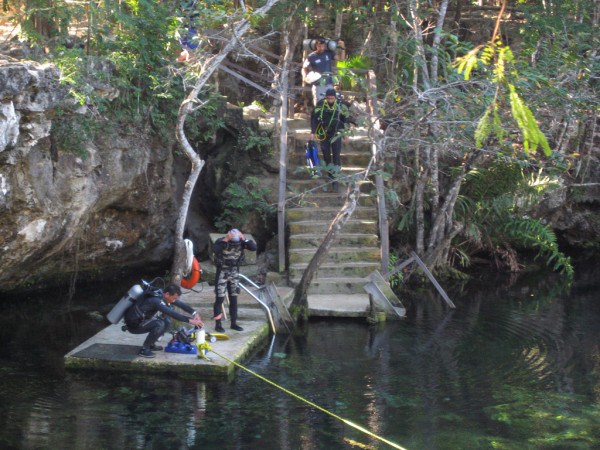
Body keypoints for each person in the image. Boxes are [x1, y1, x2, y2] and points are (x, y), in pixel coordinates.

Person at [124, 284, 204, 358]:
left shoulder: (161, 294)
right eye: (174, 298)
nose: (174, 301)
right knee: (159, 324)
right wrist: (191, 321)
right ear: (167, 294)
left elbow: (180, 304)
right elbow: (172, 313)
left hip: (143, 320)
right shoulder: (156, 301)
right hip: (134, 325)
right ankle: (145, 349)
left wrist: (195, 313)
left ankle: (151, 344)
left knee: (166, 321)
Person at [213, 228, 257, 332]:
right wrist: (226, 239)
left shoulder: (241, 242)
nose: (234, 244)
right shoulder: (221, 241)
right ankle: (218, 324)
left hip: (234, 272)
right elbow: (215, 249)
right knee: (220, 299)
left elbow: (253, 247)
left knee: (234, 298)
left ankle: (234, 323)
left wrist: (244, 239)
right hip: (222, 272)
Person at [310, 88, 350, 192]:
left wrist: (345, 134)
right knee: (326, 155)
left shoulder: (340, 106)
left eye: (332, 98)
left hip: (336, 134)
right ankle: (330, 176)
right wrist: (313, 132)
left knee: (336, 155)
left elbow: (346, 119)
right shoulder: (320, 104)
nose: (330, 100)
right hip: (323, 133)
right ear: (326, 97)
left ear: (335, 98)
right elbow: (314, 118)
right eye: (328, 98)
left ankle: (336, 178)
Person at [303, 37, 338, 106]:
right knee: (319, 105)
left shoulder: (329, 53)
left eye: (323, 46)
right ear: (316, 46)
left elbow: (341, 59)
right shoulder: (311, 56)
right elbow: (304, 68)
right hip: (318, 85)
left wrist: (343, 48)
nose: (321, 48)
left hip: (329, 84)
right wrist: (304, 77)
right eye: (319, 46)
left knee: (331, 104)